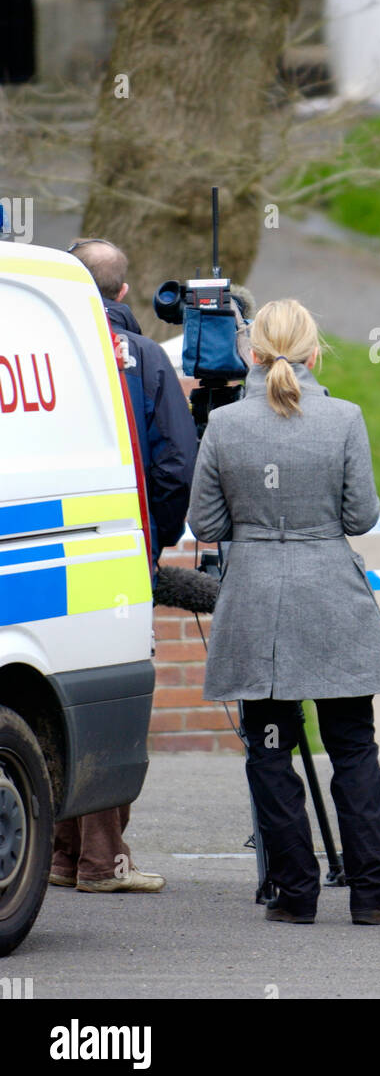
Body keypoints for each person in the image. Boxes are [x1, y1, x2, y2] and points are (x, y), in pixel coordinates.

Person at [187, 298, 380, 926]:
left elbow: (204, 522)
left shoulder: (227, 425)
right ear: (315, 354)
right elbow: (360, 516)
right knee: (354, 750)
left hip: (257, 602)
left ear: (250, 355)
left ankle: (295, 893)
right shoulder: (344, 417)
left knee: (269, 751)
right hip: (331, 600)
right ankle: (373, 894)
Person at [50, 238, 198, 895]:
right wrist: (152, 544)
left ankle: (57, 854)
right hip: (110, 552)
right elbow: (176, 466)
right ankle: (102, 862)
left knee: (57, 694)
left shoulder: (43, 347)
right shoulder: (140, 357)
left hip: (40, 549)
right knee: (111, 696)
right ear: (122, 294)